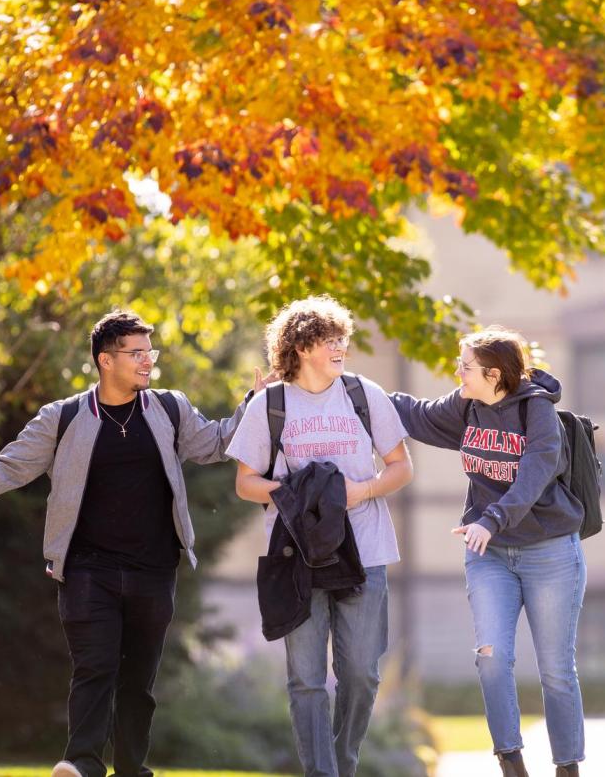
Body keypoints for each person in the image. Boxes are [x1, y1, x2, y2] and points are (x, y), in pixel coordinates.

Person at [0, 310, 253, 777]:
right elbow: (14, 463)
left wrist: (255, 404)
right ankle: (82, 765)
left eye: (151, 352)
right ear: (106, 360)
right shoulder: (63, 418)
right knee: (95, 668)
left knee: (138, 683)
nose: (148, 362)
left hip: (153, 569)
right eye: (138, 353)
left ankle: (131, 769)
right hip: (87, 569)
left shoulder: (169, 409)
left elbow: (215, 443)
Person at [226, 295, 413, 777]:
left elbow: (400, 467)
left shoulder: (363, 394)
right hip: (297, 557)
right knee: (307, 679)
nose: (341, 348)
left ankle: (343, 761)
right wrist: (300, 494)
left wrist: (359, 491)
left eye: (343, 339)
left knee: (362, 674)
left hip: (365, 551)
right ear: (303, 345)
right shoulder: (270, 404)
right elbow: (245, 483)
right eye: (331, 340)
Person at [389, 326, 586, 777]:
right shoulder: (467, 406)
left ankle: (567, 768)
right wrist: (351, 388)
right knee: (492, 659)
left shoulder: (539, 412)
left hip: (549, 553)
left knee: (556, 671)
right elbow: (415, 414)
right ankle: (510, 761)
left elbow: (533, 477)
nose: (458, 373)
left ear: (494, 374)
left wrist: (492, 519)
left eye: (466, 367)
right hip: (490, 554)